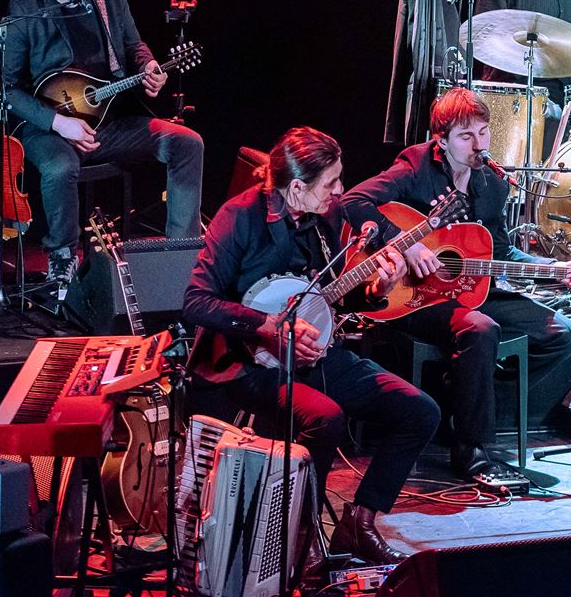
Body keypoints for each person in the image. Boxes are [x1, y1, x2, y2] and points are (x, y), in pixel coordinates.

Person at [183, 127, 439, 564]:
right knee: (325, 418)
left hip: (313, 354)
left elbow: (331, 295)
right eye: (331, 182)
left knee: (419, 411)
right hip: (247, 362)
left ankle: (358, 524)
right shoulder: (239, 216)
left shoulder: (326, 217)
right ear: (297, 187)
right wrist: (268, 327)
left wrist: (377, 288)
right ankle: (299, 537)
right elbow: (196, 302)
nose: (340, 191)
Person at [343, 87, 571, 488]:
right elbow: (352, 202)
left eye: (484, 133)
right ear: (441, 140)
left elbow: (502, 252)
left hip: (471, 289)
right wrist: (407, 244)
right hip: (414, 295)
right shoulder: (415, 167)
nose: (479, 145)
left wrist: (553, 268)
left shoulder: (492, 185)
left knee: (563, 333)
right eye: (466, 136)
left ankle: (463, 397)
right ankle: (472, 452)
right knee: (480, 329)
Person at [2, 0, 204, 277]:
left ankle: (180, 257)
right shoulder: (24, 9)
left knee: (187, 143)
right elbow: (7, 88)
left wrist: (148, 65)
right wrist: (58, 123)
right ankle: (62, 259)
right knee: (60, 167)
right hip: (49, 127)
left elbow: (133, 44)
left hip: (109, 121)